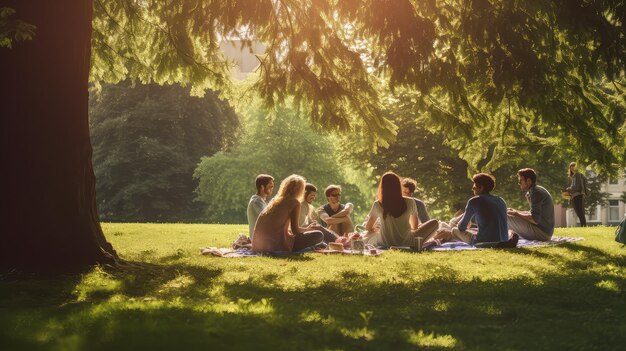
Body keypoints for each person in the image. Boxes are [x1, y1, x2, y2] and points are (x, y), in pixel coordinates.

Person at [251, 175, 326, 252]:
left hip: (258, 246)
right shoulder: (294, 202)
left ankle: (314, 246)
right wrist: (310, 229)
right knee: (319, 234)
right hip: (275, 245)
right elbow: (295, 230)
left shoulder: (275, 200)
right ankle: (312, 247)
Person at [363, 172, 439, 247]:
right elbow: (415, 227)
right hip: (407, 242)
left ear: (382, 186)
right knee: (435, 223)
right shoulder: (410, 201)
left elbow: (368, 227)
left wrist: (377, 230)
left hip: (384, 242)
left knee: (367, 234)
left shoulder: (377, 204)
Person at [449, 173, 518, 247]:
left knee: (454, 230)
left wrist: (461, 222)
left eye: (474, 185)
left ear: (481, 187)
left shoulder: (474, 201)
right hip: (504, 238)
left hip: (484, 241)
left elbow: (461, 227)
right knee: (475, 230)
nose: (472, 188)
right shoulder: (501, 200)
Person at [507, 168, 555, 241]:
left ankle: (501, 239)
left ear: (529, 181)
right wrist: (515, 211)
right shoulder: (534, 191)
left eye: (521, 180)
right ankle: (506, 237)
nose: (519, 183)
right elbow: (532, 213)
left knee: (504, 217)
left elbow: (534, 219)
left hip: (542, 234)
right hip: (541, 231)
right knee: (507, 213)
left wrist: (516, 213)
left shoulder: (536, 193)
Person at [247, 174, 274, 240]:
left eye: (272, 186)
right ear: (262, 187)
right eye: (270, 186)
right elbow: (269, 219)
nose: (272, 188)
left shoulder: (260, 201)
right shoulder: (256, 201)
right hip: (259, 240)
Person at [566, 162, 587, 227]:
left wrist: (569, 189)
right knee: (579, 211)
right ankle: (583, 225)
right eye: (571, 168)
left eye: (573, 167)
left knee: (580, 211)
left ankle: (583, 225)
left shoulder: (577, 175)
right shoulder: (574, 176)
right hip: (576, 195)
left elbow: (576, 187)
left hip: (578, 195)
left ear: (576, 168)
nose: (572, 169)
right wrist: (569, 188)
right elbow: (574, 186)